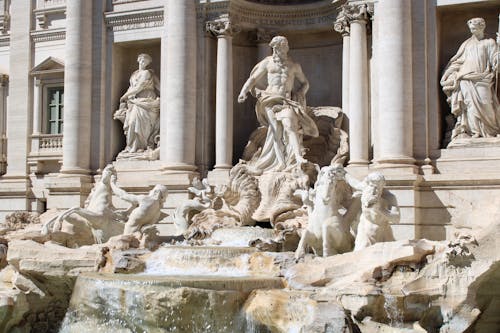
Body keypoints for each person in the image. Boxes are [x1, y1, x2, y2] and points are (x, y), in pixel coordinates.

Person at [238, 36, 319, 172]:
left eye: (286, 45)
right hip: (269, 99)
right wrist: (243, 92)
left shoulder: (294, 66)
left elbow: (305, 83)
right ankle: (281, 162)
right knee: (276, 130)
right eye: (283, 46)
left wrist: (300, 94)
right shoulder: (268, 63)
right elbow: (253, 79)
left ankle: (298, 156)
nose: (285, 48)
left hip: (286, 101)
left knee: (289, 125)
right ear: (275, 48)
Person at [441, 17, 500, 140]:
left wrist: (498, 56)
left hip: (483, 78)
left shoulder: (489, 42)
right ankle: (475, 132)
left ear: (482, 27)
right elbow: (458, 61)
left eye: (474, 28)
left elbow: (495, 61)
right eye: (471, 28)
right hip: (465, 78)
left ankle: (491, 131)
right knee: (469, 106)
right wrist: (448, 73)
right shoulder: (467, 44)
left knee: (486, 103)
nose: (472, 30)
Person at [114, 53, 160, 153]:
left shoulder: (147, 73)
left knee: (139, 123)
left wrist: (124, 96)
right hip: (134, 101)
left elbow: (139, 87)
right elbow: (132, 87)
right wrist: (126, 97)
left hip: (146, 99)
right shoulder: (134, 74)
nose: (144, 62)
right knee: (131, 122)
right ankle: (131, 146)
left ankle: (140, 147)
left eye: (146, 60)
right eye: (142, 59)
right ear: (138, 60)